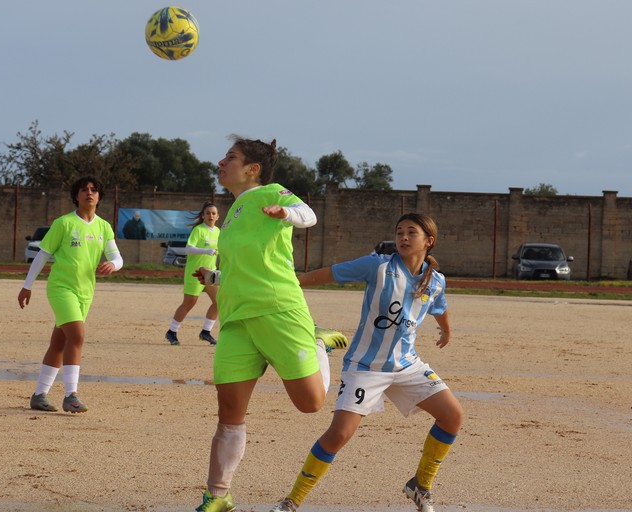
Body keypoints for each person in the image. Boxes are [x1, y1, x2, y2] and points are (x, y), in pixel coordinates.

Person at [191, 136, 348, 512]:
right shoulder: (230, 217)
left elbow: (308, 216)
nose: (221, 162)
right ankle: (218, 495)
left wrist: (285, 213)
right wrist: (213, 279)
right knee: (229, 408)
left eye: (231, 157)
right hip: (236, 320)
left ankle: (317, 344)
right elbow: (241, 269)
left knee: (310, 404)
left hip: (279, 310)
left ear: (252, 168)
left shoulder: (270, 193)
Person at [269, 213, 464, 512]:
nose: (403, 237)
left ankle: (420, 486)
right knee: (339, 435)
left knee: (452, 416)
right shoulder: (379, 266)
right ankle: (291, 501)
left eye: (412, 232)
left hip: (406, 365)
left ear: (429, 241)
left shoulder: (435, 281)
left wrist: (446, 329)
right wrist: (291, 283)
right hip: (365, 367)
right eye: (399, 231)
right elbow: (331, 273)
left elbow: (440, 307)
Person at [18, 176, 124, 414]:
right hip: (61, 288)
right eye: (84, 190)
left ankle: (39, 395)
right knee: (77, 335)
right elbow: (42, 255)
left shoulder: (104, 227)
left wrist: (113, 266)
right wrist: (27, 285)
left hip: (86, 293)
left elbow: (118, 258)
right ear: (76, 195)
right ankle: (71, 395)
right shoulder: (63, 223)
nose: (89, 193)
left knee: (59, 342)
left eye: (94, 190)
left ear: (99, 196)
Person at [165, 202, 221, 346]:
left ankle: (206, 332)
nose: (211, 215)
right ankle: (172, 331)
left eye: (213, 213)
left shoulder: (218, 232)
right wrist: (205, 251)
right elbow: (189, 249)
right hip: (195, 273)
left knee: (220, 301)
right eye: (208, 213)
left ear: (218, 217)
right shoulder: (198, 230)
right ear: (203, 216)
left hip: (211, 274)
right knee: (190, 303)